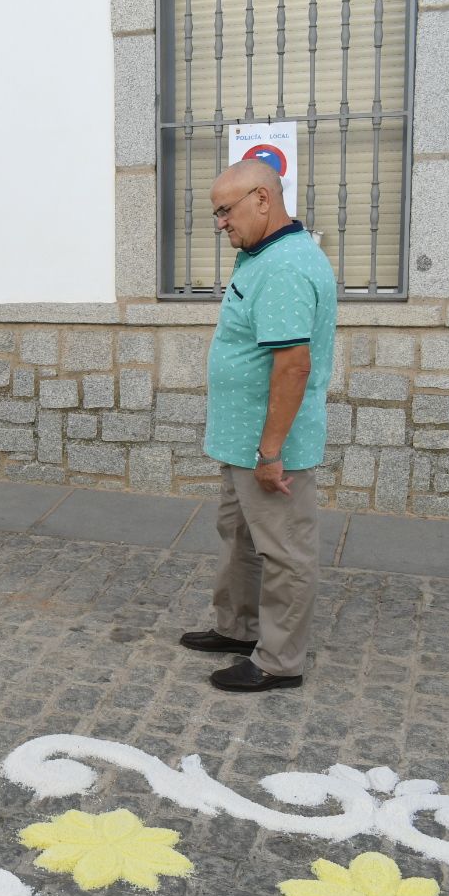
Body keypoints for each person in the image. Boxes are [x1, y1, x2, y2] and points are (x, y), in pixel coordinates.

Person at [180, 158, 337, 693]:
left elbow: (293, 364)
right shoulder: (261, 255)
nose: (221, 222)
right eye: (216, 213)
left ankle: (278, 662)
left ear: (263, 200)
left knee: (285, 552)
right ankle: (239, 628)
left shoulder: (287, 266)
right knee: (240, 540)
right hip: (242, 442)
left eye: (226, 210)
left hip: (270, 450)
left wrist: (271, 451)